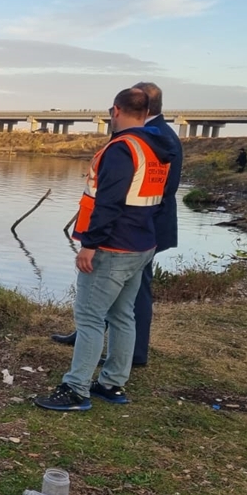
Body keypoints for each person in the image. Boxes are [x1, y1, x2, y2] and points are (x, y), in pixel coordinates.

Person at [36, 87, 175, 411]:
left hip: (114, 247)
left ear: (116, 111)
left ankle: (76, 389)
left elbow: (108, 203)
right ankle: (112, 384)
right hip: (142, 243)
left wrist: (90, 245)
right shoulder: (156, 148)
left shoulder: (121, 149)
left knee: (89, 318)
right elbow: (159, 199)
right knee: (123, 315)